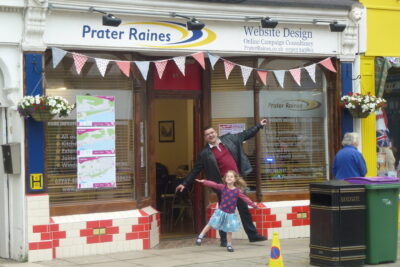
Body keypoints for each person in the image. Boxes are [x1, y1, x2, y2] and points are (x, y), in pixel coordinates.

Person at [176, 119, 268, 246]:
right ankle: (224, 240)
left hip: (237, 183)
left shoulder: (230, 139)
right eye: (208, 134)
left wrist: (259, 126)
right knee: (224, 212)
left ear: (216, 132)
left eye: (212, 132)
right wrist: (185, 183)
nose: (211, 135)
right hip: (223, 186)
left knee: (244, 209)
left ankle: (253, 236)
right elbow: (196, 170)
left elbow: (245, 134)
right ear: (205, 138)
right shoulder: (204, 153)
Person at [194, 170, 258, 252]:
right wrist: (204, 181)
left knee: (229, 230)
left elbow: (246, 199)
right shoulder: (222, 187)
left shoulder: (237, 191)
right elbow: (214, 184)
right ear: (225, 179)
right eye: (227, 176)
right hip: (220, 212)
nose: (229, 178)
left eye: (231, 176)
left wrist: (254, 205)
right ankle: (200, 237)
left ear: (235, 179)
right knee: (210, 223)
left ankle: (229, 245)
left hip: (230, 214)